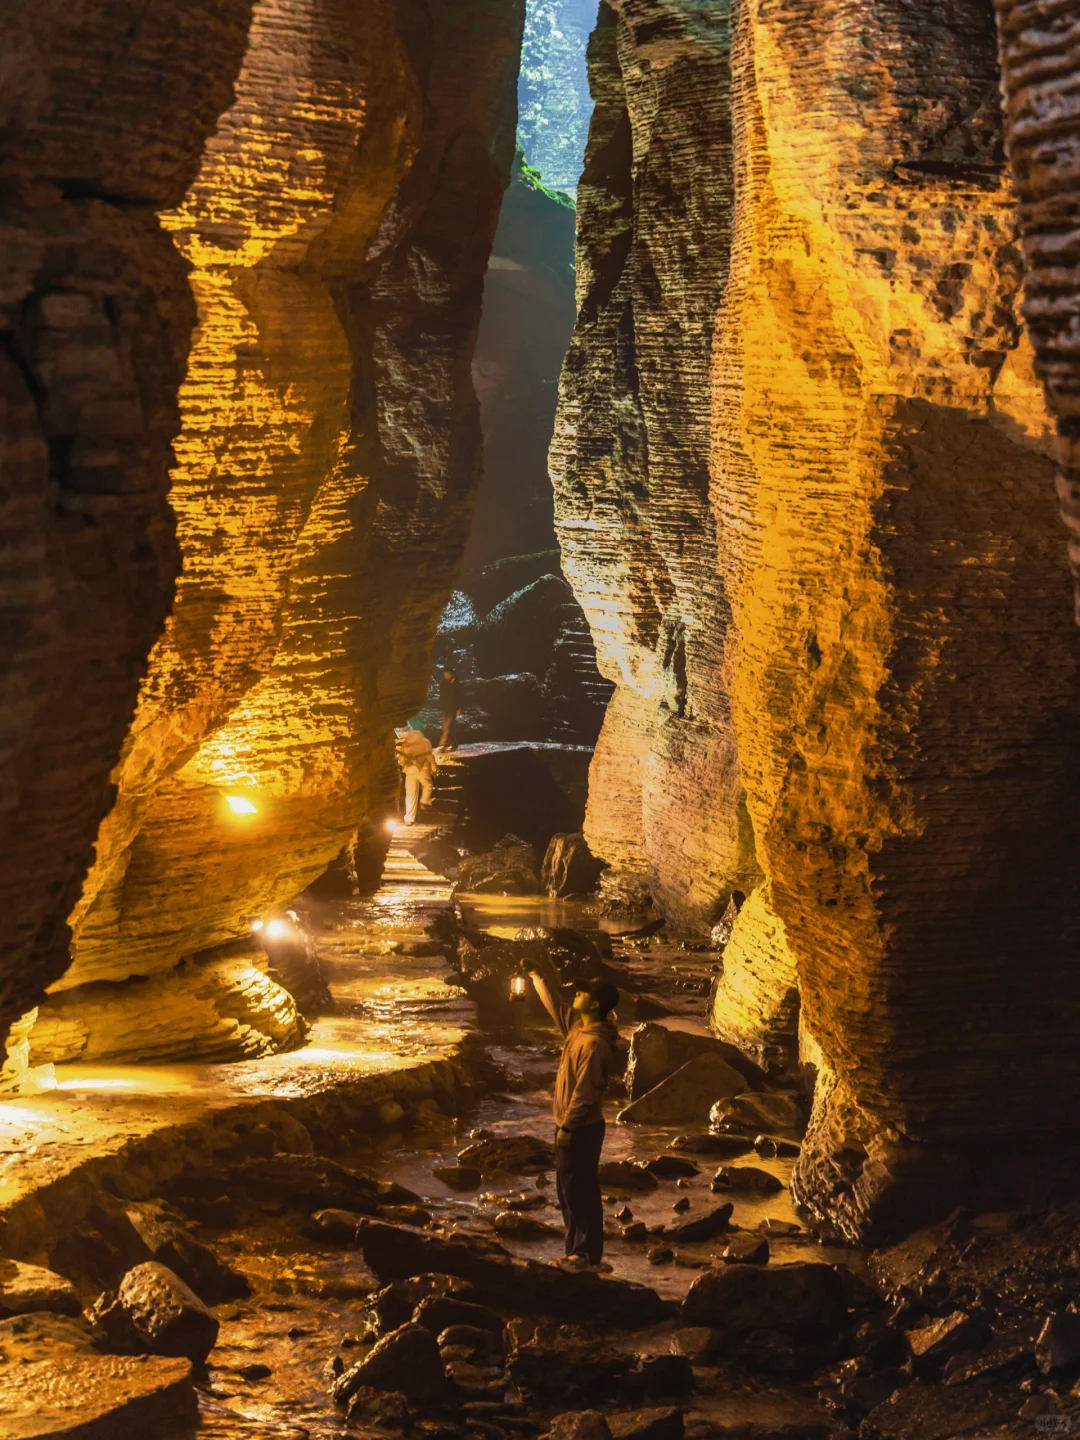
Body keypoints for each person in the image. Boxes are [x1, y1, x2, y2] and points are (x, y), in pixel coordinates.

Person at [528, 962, 620, 1271]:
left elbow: (587, 1090)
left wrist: (568, 1126)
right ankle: (576, 1251)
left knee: (578, 1190)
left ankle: (585, 1255)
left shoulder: (594, 1043)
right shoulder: (579, 1029)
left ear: (594, 1004)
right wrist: (537, 975)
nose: (576, 993)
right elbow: (556, 1005)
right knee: (567, 1190)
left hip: (581, 1128)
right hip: (570, 1126)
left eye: (583, 992)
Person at [394, 725, 436, 824]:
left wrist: (403, 765)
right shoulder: (425, 742)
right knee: (427, 785)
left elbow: (401, 760)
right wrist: (434, 766)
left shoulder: (404, 745)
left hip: (410, 771)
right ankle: (424, 800)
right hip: (423, 769)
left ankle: (409, 818)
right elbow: (429, 755)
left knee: (410, 794)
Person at [437, 667, 460, 751]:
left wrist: (459, 708)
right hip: (445, 709)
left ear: (451, 674)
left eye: (446, 674)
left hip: (452, 709)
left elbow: (459, 697)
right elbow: (442, 696)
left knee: (448, 727)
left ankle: (442, 745)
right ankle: (453, 743)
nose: (445, 676)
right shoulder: (443, 684)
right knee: (447, 727)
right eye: (444, 674)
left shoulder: (456, 685)